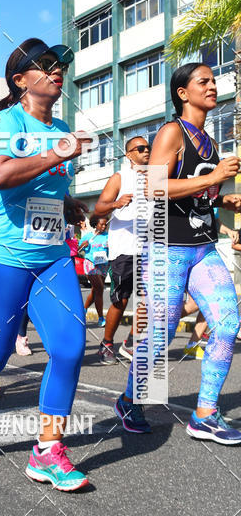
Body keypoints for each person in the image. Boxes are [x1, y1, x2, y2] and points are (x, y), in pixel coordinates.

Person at [0, 37, 91, 491]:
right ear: (20, 79)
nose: (56, 71)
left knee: (69, 348)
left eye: (59, 66)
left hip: (51, 257)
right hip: (1, 257)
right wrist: (57, 154)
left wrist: (67, 202)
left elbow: (44, 186)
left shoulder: (63, 123)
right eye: (45, 65)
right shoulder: (6, 123)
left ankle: (48, 451)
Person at [114, 62, 241, 444]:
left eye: (214, 81)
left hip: (203, 248)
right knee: (161, 331)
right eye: (204, 81)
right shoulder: (173, 132)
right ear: (183, 93)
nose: (213, 86)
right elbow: (153, 188)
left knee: (228, 322)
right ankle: (128, 399)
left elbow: (199, 195)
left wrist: (224, 200)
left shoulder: (210, 142)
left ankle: (205, 413)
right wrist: (213, 178)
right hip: (166, 247)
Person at [95, 136, 150, 364]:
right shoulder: (120, 177)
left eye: (148, 147)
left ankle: (130, 343)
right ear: (129, 155)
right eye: (140, 148)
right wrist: (115, 204)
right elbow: (99, 207)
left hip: (150, 247)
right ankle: (107, 342)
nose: (146, 151)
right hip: (125, 248)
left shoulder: (158, 177)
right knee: (122, 299)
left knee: (151, 300)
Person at [79, 215, 109, 326]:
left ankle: (84, 309)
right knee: (99, 289)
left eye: (105, 224)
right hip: (90, 264)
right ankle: (101, 318)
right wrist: (83, 245)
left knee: (95, 290)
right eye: (101, 224)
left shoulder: (108, 236)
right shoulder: (88, 236)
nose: (104, 226)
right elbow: (78, 249)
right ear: (95, 224)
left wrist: (111, 246)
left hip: (103, 265)